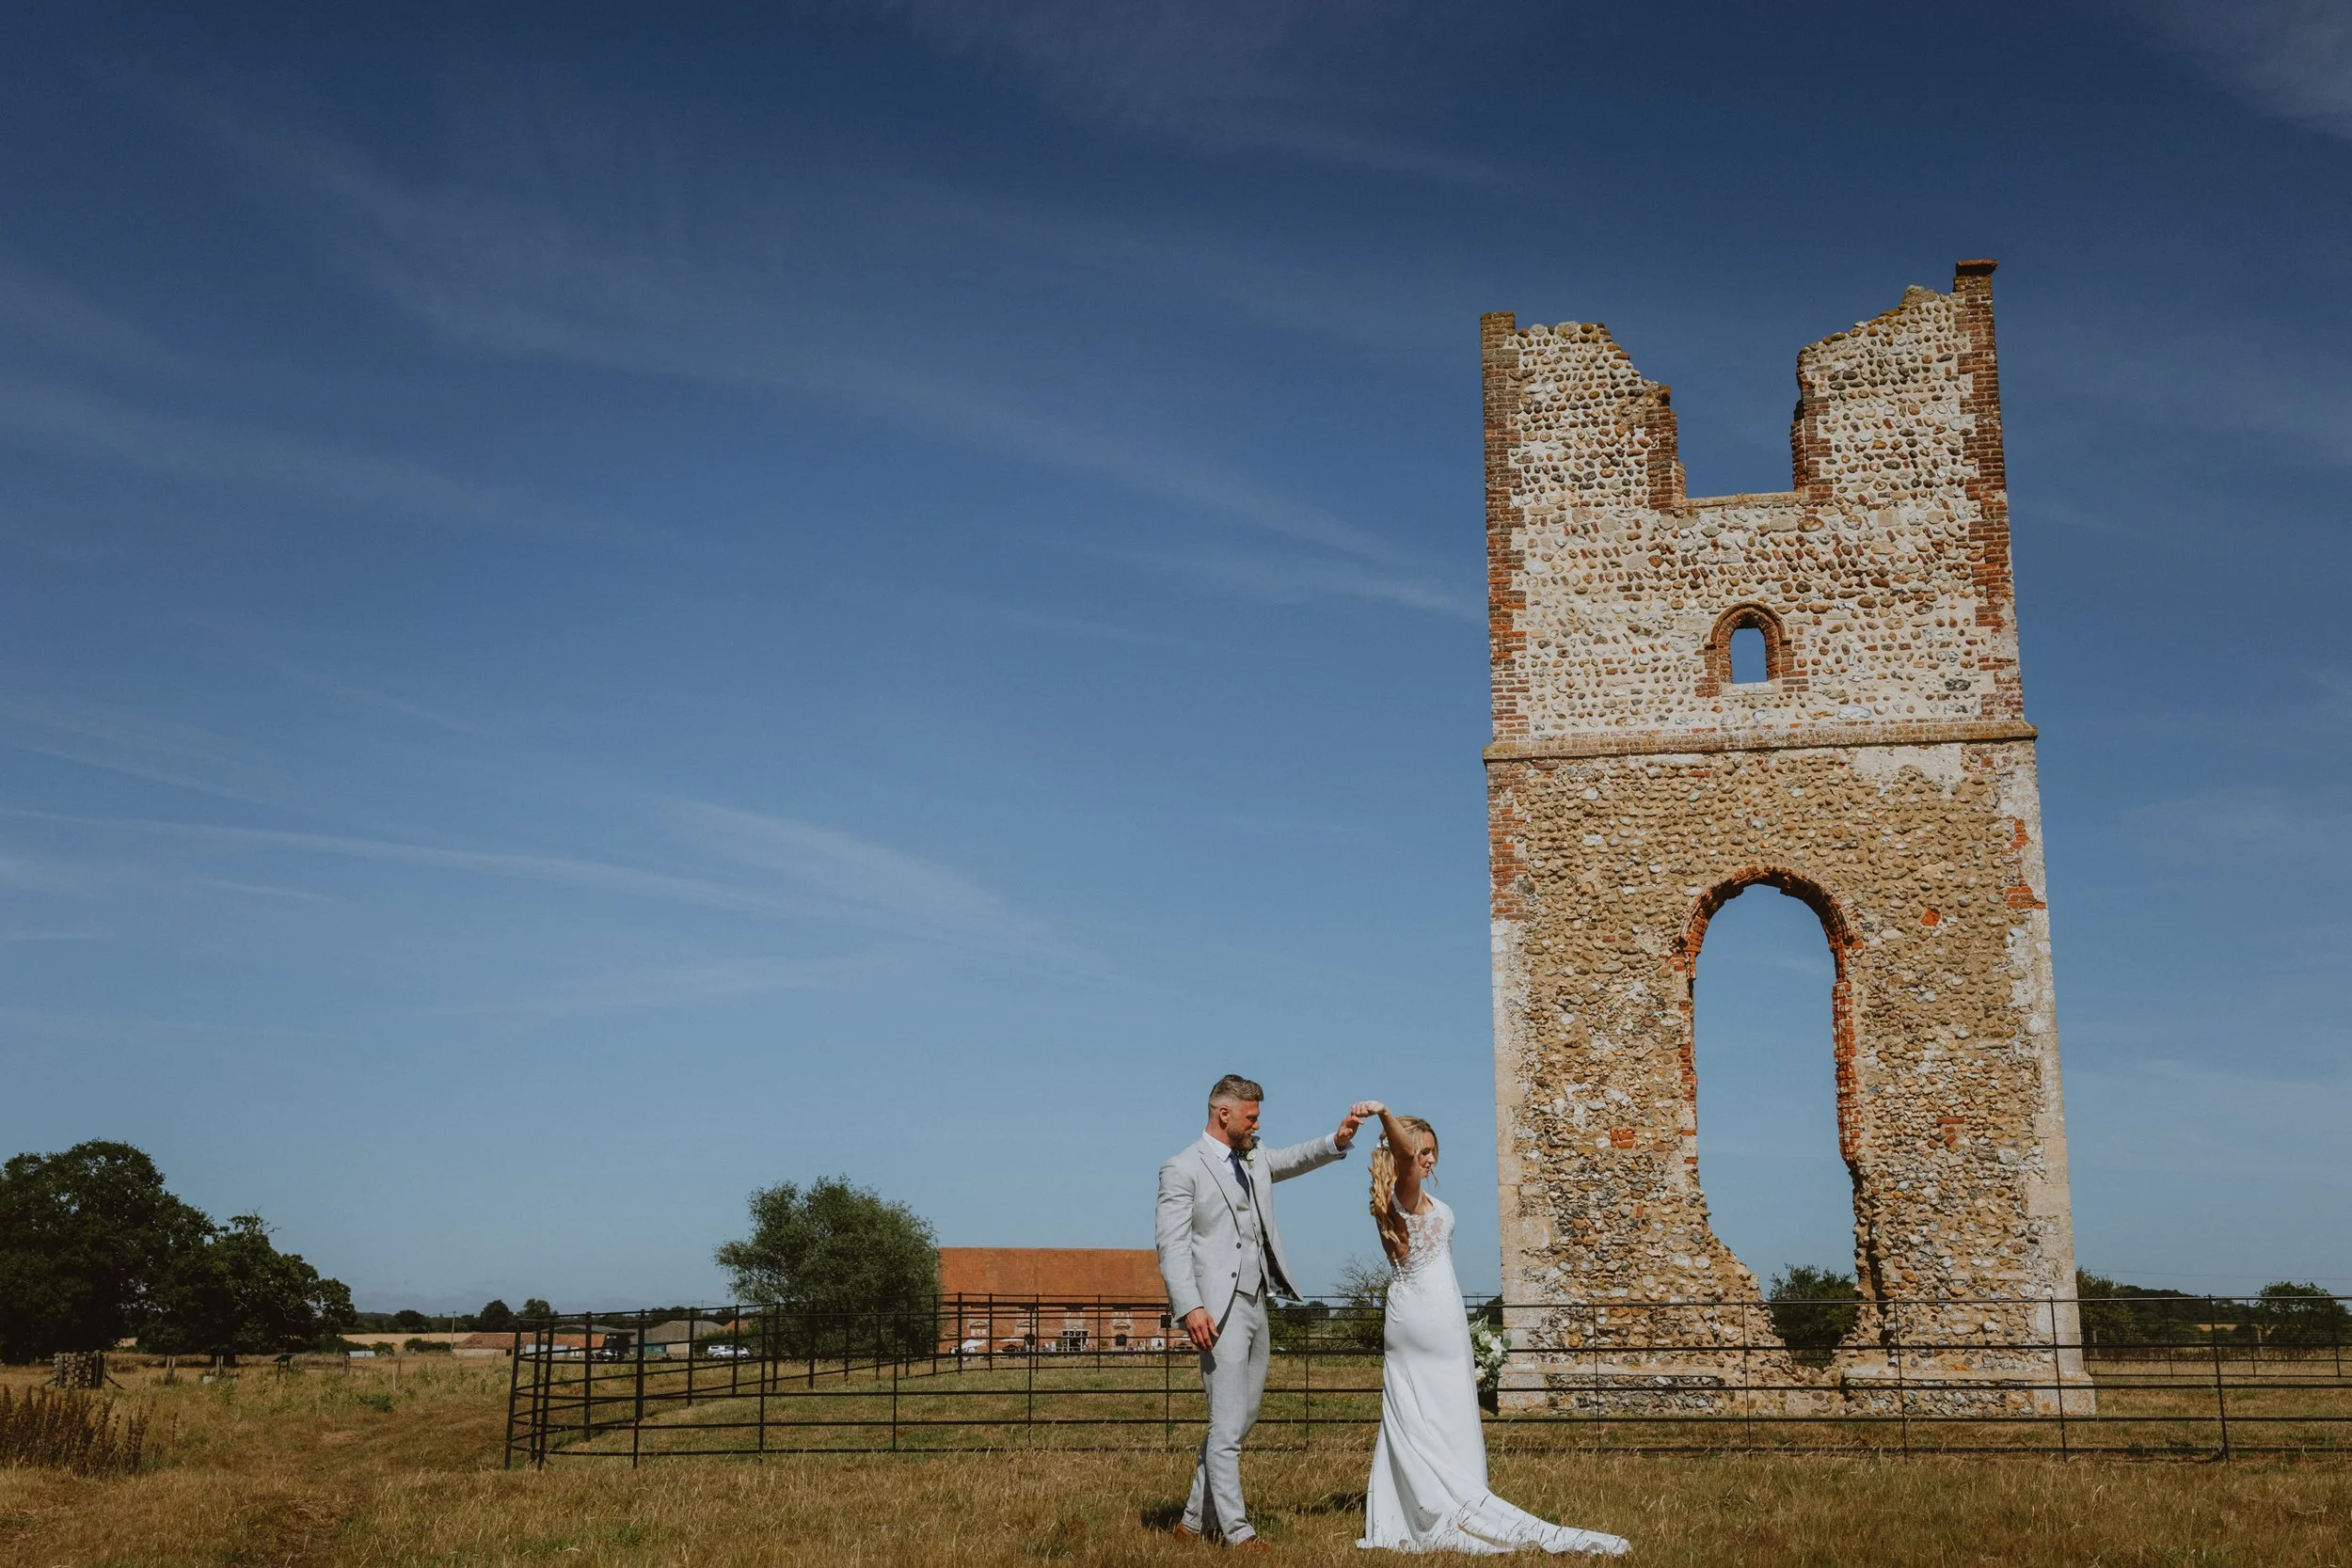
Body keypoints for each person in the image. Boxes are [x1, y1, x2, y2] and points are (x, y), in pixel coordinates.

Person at [1356, 1102, 1629, 1557]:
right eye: (1423, 1151)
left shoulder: (1405, 1197)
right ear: (1403, 1152)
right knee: (1433, 1405)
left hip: (1428, 1311)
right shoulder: (1401, 1194)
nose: (1429, 1159)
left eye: (1433, 1152)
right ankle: (1453, 1500)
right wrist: (1385, 1113)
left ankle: (1437, 1494)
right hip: (1425, 1314)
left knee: (1430, 1406)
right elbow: (1404, 1156)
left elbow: (1407, 1159)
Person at [1156, 1074, 1376, 1551]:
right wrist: (1189, 1306)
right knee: (1228, 1422)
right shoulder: (1181, 1168)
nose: (1258, 1123)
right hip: (1216, 1310)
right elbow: (1171, 1246)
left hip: (1258, 1302)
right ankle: (1236, 1531)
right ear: (1224, 1114)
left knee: (1242, 1416)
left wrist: (1337, 1141)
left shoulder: (1253, 1158)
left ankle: (1192, 1522)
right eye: (1251, 1116)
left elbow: (1293, 1159)